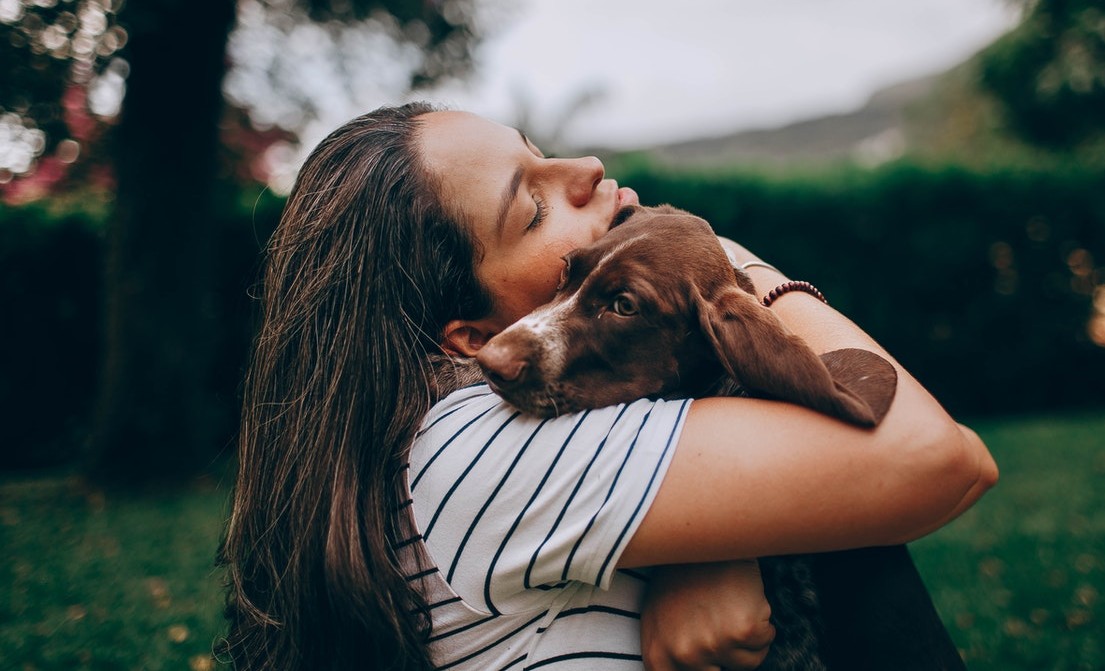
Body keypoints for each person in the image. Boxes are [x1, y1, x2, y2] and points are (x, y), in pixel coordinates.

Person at [219, 102, 998, 671]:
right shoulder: (468, 447)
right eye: (532, 205)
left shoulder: (547, 418)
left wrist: (728, 544)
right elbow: (941, 459)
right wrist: (732, 267)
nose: (586, 168)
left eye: (538, 149)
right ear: (469, 340)